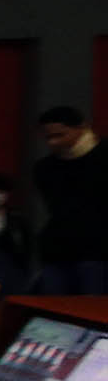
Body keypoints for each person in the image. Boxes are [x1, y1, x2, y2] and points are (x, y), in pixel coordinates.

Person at [34, 109, 108, 293]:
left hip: (100, 251)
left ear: (81, 128)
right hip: (59, 251)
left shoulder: (104, 156)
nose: (54, 142)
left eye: (60, 135)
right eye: (49, 137)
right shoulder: (45, 167)